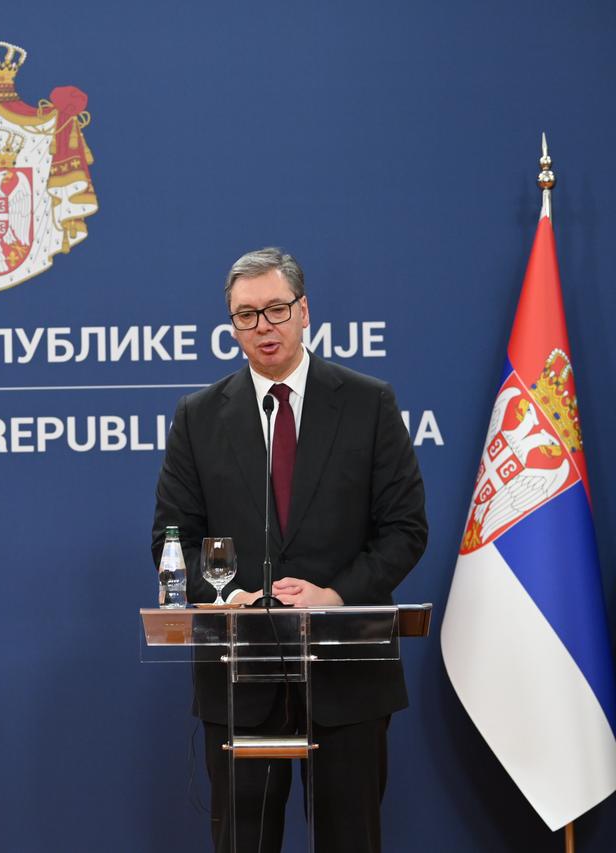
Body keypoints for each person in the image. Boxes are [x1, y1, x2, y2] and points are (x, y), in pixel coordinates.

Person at [151, 248, 426, 853]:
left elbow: (405, 529)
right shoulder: (198, 417)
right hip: (240, 680)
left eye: (275, 309)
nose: (262, 327)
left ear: (304, 312)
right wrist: (226, 594)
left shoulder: (367, 402)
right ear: (231, 326)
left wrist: (335, 594)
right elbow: (173, 538)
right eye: (246, 315)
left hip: (347, 674)